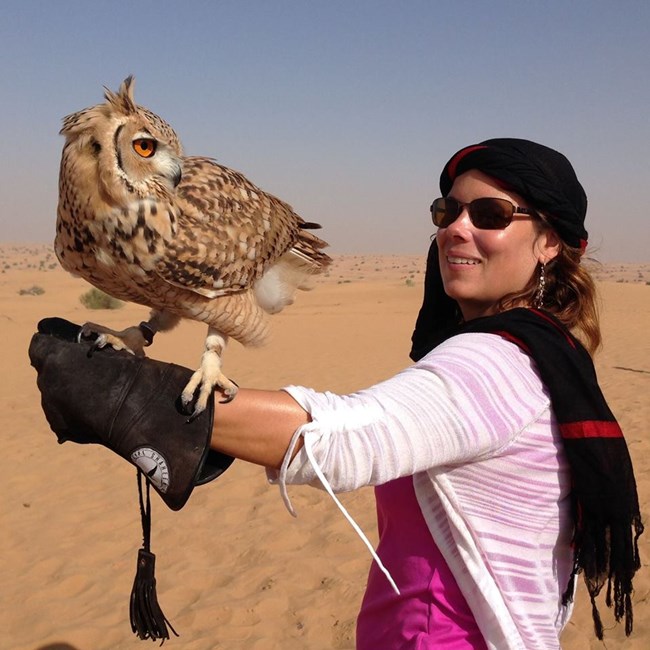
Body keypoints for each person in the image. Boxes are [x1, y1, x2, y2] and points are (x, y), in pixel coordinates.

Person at [30, 138, 643, 650]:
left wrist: (137, 398)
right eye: (446, 211)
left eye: (490, 216)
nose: (457, 229)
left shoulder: (497, 363)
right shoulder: (541, 350)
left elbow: (347, 437)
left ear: (550, 242)